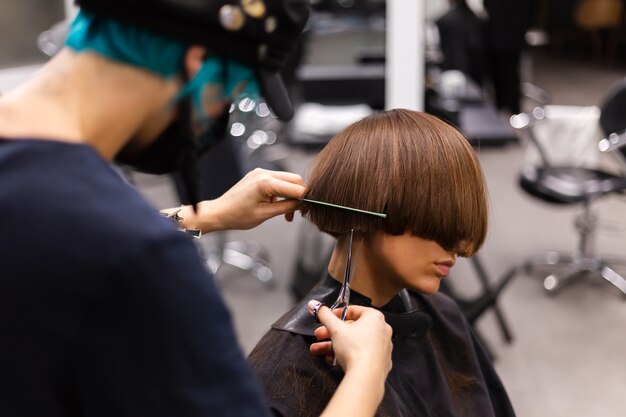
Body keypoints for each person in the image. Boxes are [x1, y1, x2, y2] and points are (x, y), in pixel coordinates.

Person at [0, 1, 393, 416]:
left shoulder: (52, 200)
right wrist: (367, 373)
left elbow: (53, 240)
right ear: (197, 61)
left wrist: (208, 215)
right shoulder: (141, 260)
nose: (215, 120)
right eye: (230, 92)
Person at [249, 109, 516, 417]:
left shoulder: (444, 315)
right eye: (438, 222)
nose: (458, 244)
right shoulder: (283, 374)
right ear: (369, 208)